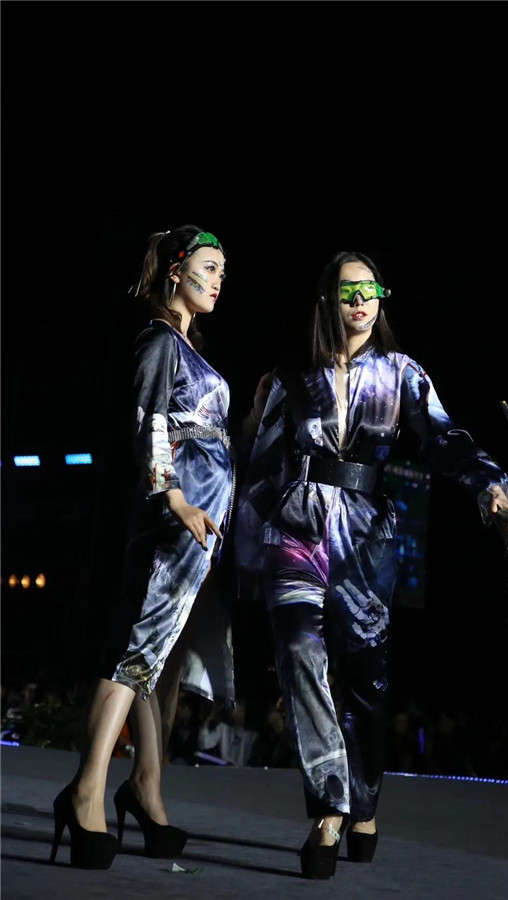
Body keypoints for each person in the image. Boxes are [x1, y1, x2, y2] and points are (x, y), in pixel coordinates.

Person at [235, 250, 508, 879]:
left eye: (370, 290)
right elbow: (256, 461)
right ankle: (329, 808)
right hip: (296, 532)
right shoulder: (291, 375)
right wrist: (264, 518)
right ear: (326, 301)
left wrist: (489, 487)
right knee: (299, 656)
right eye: (347, 291)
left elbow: (443, 435)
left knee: (366, 681)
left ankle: (363, 804)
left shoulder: (402, 371)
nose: (360, 301)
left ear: (382, 298)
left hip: (366, 538)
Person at [51, 225, 233, 869]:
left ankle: (137, 789)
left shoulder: (187, 347)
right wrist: (175, 497)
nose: (218, 280)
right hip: (171, 526)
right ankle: (87, 791)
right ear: (175, 271)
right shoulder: (159, 342)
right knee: (137, 651)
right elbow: (148, 422)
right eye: (208, 266)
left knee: (158, 658)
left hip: (197, 535)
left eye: (223, 270)